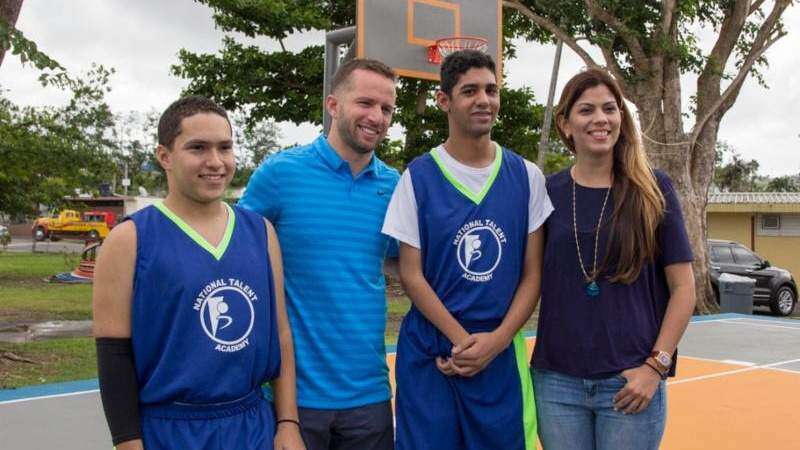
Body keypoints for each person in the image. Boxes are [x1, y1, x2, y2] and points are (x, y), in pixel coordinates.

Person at [93, 96, 304, 450]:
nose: (216, 162)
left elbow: (280, 334)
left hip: (251, 424)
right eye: (198, 148)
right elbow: (114, 354)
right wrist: (128, 443)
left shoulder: (260, 232)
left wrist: (287, 422)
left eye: (225, 147)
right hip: (169, 429)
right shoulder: (129, 239)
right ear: (165, 156)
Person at [382, 50, 553, 450]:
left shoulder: (527, 176)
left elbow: (533, 274)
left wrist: (494, 343)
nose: (484, 100)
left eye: (491, 90)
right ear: (445, 101)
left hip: (499, 348)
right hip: (433, 350)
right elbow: (412, 274)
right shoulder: (417, 177)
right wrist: (462, 341)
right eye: (470, 90)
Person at [531, 68, 696, 450]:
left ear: (622, 118)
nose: (600, 119)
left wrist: (656, 367)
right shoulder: (545, 191)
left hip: (631, 380)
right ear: (566, 124)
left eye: (610, 108)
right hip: (556, 383)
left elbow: (684, 288)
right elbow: (527, 279)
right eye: (586, 110)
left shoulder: (653, 189)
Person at [239, 59, 400, 450]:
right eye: (365, 103)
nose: (376, 117)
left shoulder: (396, 186)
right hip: (294, 399)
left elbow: (408, 268)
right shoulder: (280, 174)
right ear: (332, 105)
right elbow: (234, 254)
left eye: (387, 109)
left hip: (370, 396)